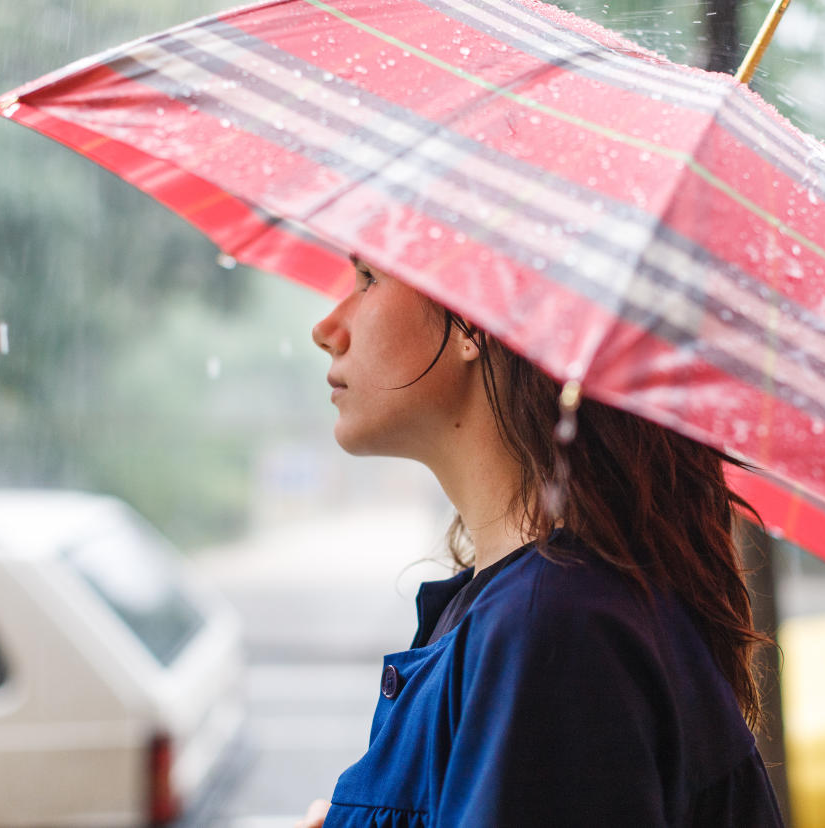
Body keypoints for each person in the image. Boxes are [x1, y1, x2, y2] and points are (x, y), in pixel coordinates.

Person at [300, 256, 785, 827]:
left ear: (471, 319)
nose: (327, 329)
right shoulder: (539, 608)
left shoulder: (554, 625)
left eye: (369, 278)